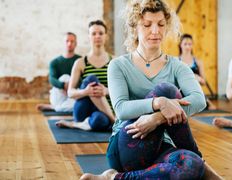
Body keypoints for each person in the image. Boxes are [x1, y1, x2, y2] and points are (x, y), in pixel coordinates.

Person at [80, 0, 222, 179]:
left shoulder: (177, 66)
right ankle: (204, 168)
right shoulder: (118, 65)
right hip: (128, 142)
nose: (155, 31)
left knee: (191, 165)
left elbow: (199, 100)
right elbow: (121, 109)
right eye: (147, 25)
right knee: (166, 91)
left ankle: (112, 178)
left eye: (161, 24)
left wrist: (158, 117)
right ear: (135, 28)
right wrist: (159, 102)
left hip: (160, 147)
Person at [55, 20, 115, 131]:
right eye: (93, 33)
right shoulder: (80, 62)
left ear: (106, 36)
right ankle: (114, 121)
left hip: (104, 111)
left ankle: (77, 125)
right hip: (83, 109)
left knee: (100, 121)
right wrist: (86, 92)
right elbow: (70, 92)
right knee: (91, 79)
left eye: (101, 33)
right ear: (89, 37)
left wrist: (106, 91)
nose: (97, 36)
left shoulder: (114, 61)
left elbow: (122, 90)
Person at [36, 32, 81, 112]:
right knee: (64, 77)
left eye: (72, 41)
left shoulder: (80, 60)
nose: (69, 43)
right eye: (67, 41)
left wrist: (71, 86)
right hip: (59, 94)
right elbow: (52, 79)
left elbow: (82, 78)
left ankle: (53, 107)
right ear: (63, 43)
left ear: (76, 44)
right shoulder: (55, 62)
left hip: (73, 93)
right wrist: (63, 86)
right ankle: (58, 106)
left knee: (78, 106)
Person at [179, 33, 216, 110]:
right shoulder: (176, 61)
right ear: (180, 45)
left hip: (195, 90)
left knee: (212, 107)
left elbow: (203, 82)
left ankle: (201, 102)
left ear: (192, 45)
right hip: (181, 91)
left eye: (189, 44)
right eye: (185, 44)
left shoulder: (198, 62)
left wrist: (197, 78)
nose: (187, 46)